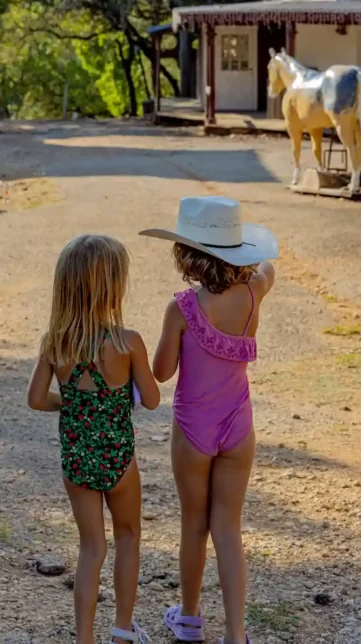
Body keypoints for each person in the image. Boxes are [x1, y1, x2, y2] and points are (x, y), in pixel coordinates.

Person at [141, 197, 277, 644]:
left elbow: (161, 373)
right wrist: (247, 262)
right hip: (239, 425)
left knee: (194, 525)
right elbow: (268, 267)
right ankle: (236, 634)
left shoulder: (181, 308)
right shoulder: (255, 293)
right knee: (228, 528)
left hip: (194, 430)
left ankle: (190, 618)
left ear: (187, 255)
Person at [28, 234, 160, 644]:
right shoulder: (127, 341)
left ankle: (84, 638)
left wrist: (69, 404)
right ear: (113, 286)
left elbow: (35, 400)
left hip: (77, 462)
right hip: (119, 459)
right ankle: (122, 631)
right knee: (128, 537)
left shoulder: (55, 342)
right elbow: (153, 400)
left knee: (91, 550)